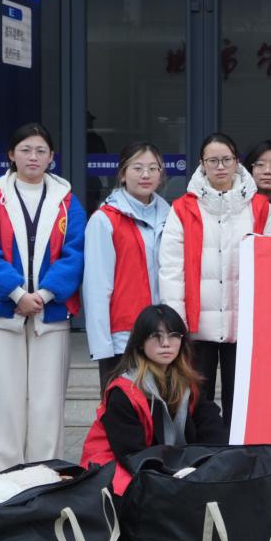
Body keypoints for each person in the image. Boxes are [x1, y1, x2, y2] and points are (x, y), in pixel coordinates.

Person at [0, 122, 86, 474]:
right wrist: (18, 293)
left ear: (52, 157)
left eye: (40, 151)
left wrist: (45, 294)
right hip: (3, 314)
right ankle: (5, 481)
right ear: (11, 155)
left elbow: (75, 253)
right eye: (25, 150)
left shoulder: (67, 201)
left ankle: (44, 478)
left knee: (48, 405)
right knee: (5, 403)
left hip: (51, 315)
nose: (33, 157)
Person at [159, 132, 271, 426]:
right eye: (213, 160)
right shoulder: (183, 208)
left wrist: (265, 320)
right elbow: (171, 268)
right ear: (202, 164)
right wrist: (177, 322)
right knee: (197, 397)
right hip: (197, 322)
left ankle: (235, 449)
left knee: (239, 397)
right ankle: (201, 449)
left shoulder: (260, 207)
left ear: (237, 162)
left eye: (226, 159)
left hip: (244, 323)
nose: (220, 166)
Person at [80, 304, 228, 495]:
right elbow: (131, 454)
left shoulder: (189, 385)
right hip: (121, 463)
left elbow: (214, 432)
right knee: (130, 486)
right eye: (156, 336)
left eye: (173, 335)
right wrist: (175, 475)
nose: (166, 343)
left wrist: (204, 466)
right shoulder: (123, 391)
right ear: (140, 343)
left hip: (166, 466)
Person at [83, 141, 170, 391]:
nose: (146, 174)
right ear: (122, 174)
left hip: (163, 336)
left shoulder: (172, 217)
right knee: (124, 409)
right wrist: (102, 347)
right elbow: (97, 287)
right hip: (123, 339)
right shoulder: (105, 220)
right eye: (137, 168)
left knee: (161, 409)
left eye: (153, 168)